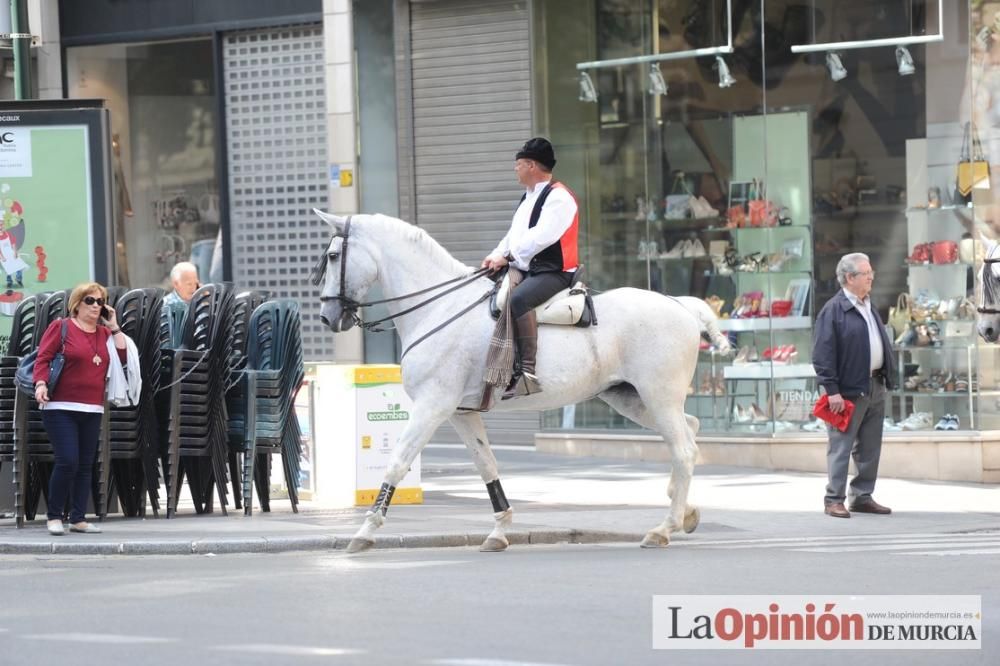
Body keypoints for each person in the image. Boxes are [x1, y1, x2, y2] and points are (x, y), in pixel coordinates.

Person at [481, 137, 579, 400]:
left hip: (554, 272)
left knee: (519, 300)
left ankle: (527, 373)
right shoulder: (528, 197)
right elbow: (514, 235)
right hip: (529, 268)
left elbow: (541, 237)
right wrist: (496, 256)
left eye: (519, 164)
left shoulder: (560, 198)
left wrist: (509, 256)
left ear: (532, 166)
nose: (515, 169)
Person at [33, 283, 128, 535]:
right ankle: (54, 516)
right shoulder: (61, 327)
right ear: (77, 304)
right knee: (67, 460)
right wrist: (41, 383)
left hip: (92, 408)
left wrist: (114, 325)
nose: (96, 305)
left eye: (100, 301)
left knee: (85, 464)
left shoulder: (104, 334)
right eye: (90, 300)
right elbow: (43, 358)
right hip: (59, 406)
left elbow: (123, 357)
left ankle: (77, 518)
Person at [812, 253, 897, 519]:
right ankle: (833, 499)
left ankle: (862, 496)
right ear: (850, 278)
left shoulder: (868, 305)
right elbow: (822, 354)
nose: (871, 276)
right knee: (841, 446)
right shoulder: (834, 310)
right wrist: (832, 390)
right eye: (866, 272)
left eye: (871, 271)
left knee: (870, 446)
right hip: (847, 391)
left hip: (874, 383)